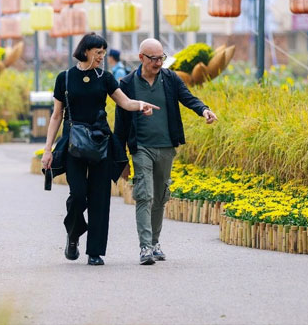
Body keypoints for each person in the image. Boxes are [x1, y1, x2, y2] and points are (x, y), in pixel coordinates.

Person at [40, 33, 160, 266]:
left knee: (100, 198)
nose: (101, 57)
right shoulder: (65, 78)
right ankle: (73, 234)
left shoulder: (105, 78)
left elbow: (124, 102)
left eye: (103, 53)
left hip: (101, 143)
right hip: (74, 144)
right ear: (85, 51)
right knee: (77, 195)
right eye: (98, 53)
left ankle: (95, 252)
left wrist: (140, 105)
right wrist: (48, 149)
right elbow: (56, 115)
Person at [114, 38, 218, 265]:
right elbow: (120, 124)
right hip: (141, 148)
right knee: (145, 194)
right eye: (153, 59)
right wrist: (121, 158)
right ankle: (145, 247)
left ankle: (154, 242)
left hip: (166, 147)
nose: (158, 63)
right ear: (141, 58)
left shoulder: (170, 79)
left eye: (161, 58)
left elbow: (187, 98)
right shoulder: (127, 84)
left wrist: (204, 110)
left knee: (160, 197)